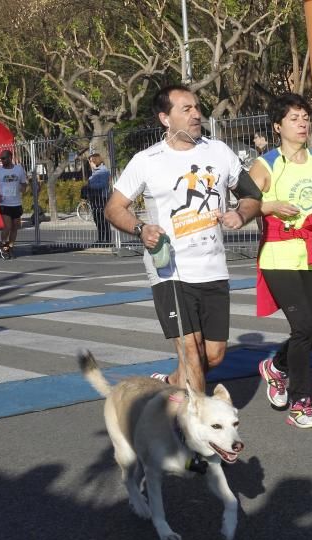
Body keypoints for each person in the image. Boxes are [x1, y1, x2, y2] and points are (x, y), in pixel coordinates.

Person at [105, 85, 263, 393]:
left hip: (213, 268)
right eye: (186, 109)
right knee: (191, 353)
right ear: (165, 118)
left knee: (213, 356)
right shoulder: (147, 160)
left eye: (196, 107)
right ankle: (195, 430)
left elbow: (252, 196)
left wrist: (241, 214)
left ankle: (173, 384)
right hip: (170, 270)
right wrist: (141, 229)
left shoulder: (218, 152)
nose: (196, 114)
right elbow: (114, 208)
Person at [249, 92, 312, 429]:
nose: (302, 124)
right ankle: (301, 404)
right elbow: (246, 203)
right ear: (278, 126)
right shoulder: (266, 164)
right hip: (278, 253)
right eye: (293, 119)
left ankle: (275, 367)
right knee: (301, 328)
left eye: (305, 118)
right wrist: (270, 206)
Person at [0, 149, 28, 259]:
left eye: (3, 158)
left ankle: (11, 247)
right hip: (4, 203)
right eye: (1, 158)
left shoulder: (19, 169)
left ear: (10, 157)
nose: (1, 160)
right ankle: (4, 245)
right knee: (7, 226)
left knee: (15, 226)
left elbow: (23, 184)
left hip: (16, 203)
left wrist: (23, 188)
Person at [82, 153, 111, 244]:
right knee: (97, 220)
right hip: (94, 198)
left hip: (101, 198)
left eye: (90, 161)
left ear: (95, 161)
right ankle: (101, 239)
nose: (90, 163)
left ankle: (107, 241)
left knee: (103, 221)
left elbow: (103, 185)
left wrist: (90, 185)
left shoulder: (103, 171)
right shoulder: (95, 171)